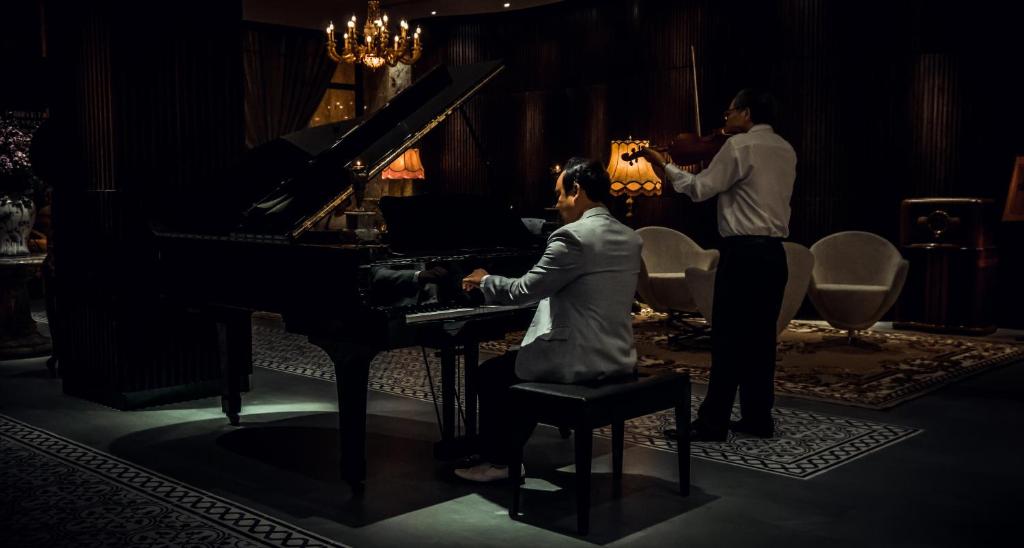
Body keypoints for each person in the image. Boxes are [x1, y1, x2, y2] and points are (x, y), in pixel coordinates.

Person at [453, 157, 643, 482]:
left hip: (579, 359)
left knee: (491, 374)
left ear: (576, 190)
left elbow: (524, 291)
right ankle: (506, 453)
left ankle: (499, 463)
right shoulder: (630, 237)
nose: (557, 203)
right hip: (617, 355)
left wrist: (485, 281)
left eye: (559, 194)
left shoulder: (572, 237)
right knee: (513, 366)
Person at [639, 89, 796, 441]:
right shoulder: (786, 148)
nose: (726, 119)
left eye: (730, 112)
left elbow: (699, 189)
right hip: (774, 255)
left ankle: (712, 422)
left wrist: (664, 165)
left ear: (746, 112)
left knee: (728, 339)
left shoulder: (739, 146)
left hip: (743, 255)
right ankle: (758, 418)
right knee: (761, 340)